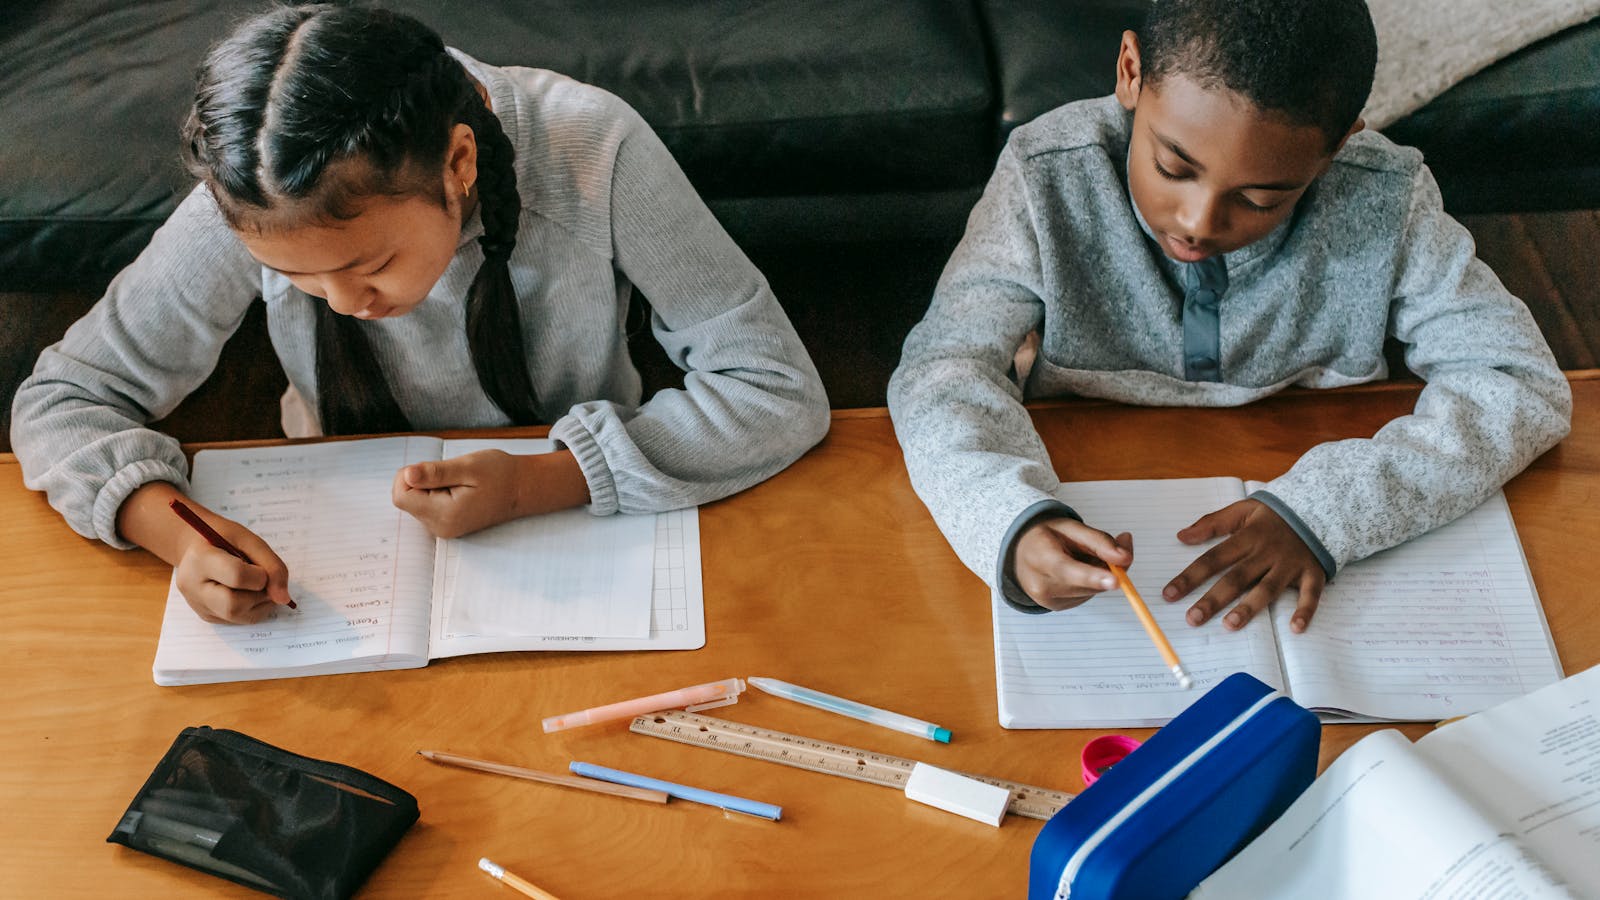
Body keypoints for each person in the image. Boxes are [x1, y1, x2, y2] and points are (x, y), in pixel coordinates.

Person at [10, 3, 829, 625]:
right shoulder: (261, 194)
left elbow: (773, 385)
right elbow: (66, 399)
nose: (344, 307)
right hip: (337, 553)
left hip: (581, 522)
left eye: (368, 266)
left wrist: (549, 479)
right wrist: (173, 531)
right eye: (294, 279)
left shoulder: (593, 148)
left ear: (460, 163)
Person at [887, 0, 1570, 634]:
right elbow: (943, 368)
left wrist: (1328, 511)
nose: (1198, 222)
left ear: (1335, 151)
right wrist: (1009, 519)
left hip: (1311, 468)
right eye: (1172, 166)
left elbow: (1519, 380)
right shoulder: (1045, 175)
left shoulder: (1386, 198)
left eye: (1261, 198)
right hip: (1087, 464)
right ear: (1130, 73)